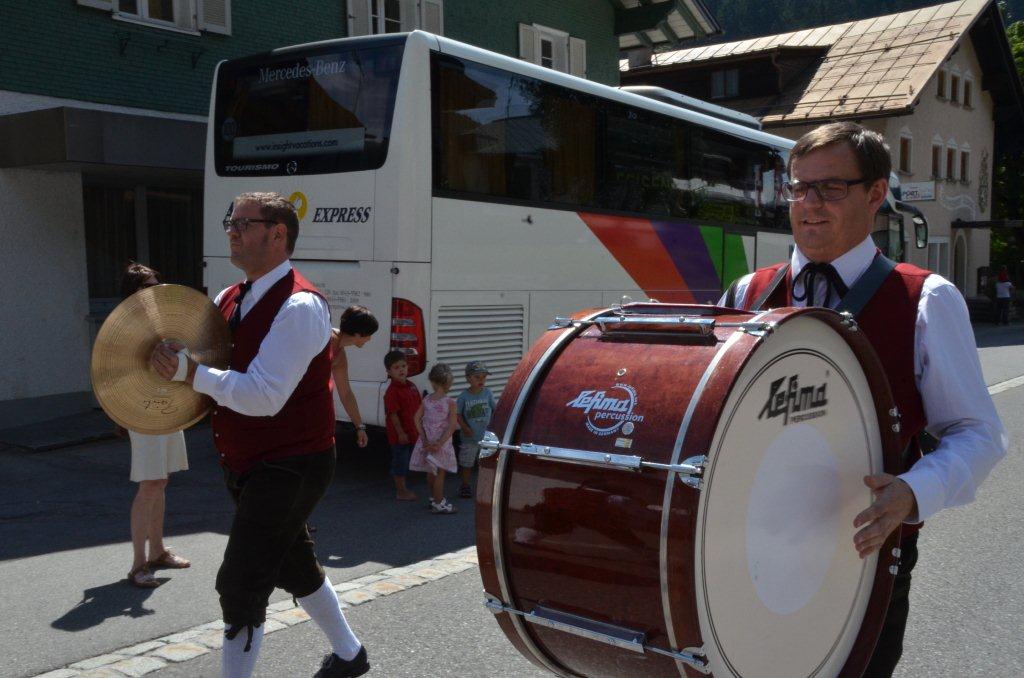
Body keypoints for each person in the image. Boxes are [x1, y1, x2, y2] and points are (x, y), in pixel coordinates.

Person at [721, 122, 1006, 676]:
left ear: (876, 194)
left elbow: (978, 432)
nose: (809, 204)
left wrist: (912, 492)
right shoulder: (746, 293)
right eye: (798, 187)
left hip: (865, 557)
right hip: (755, 550)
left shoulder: (926, 297)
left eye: (831, 188)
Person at [149, 192, 368, 678]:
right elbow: (212, 367)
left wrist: (190, 372)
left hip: (294, 461)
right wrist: (175, 356)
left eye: (244, 223)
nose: (232, 230)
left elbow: (265, 396)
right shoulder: (229, 296)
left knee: (241, 582)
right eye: (231, 221)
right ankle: (351, 655)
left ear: (278, 234)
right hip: (248, 458)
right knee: (293, 564)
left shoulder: (301, 306)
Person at [120, 263, 191, 589]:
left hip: (166, 405)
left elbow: (182, 357)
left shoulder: (160, 321)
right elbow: (122, 371)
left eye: (156, 283)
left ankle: (158, 551)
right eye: (148, 285)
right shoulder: (124, 324)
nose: (155, 289)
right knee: (150, 484)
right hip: (143, 410)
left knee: (160, 481)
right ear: (133, 291)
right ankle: (138, 564)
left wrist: (179, 348)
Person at [409, 363, 458, 514]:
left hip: (427, 442)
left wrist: (423, 438)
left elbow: (416, 418)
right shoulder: (450, 402)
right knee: (440, 474)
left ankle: (433, 498)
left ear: (432, 381)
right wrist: (439, 443)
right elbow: (452, 425)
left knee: (431, 472)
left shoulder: (427, 400)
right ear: (448, 383)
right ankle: (439, 503)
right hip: (441, 444)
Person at [331, 305, 379, 447]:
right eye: (369, 334)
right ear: (358, 334)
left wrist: (360, 427)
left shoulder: (339, 354)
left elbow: (346, 394)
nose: (369, 339)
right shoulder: (327, 340)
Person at [383, 349, 421, 501]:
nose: (401, 370)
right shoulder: (392, 392)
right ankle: (401, 491)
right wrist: (400, 433)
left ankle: (404, 486)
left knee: (408, 460)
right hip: (400, 435)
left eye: (403, 366)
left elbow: (418, 408)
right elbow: (393, 415)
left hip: (413, 431)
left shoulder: (412, 386)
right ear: (388, 371)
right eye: (396, 367)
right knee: (401, 461)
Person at [455, 361, 496, 499]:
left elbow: (495, 409)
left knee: (485, 463)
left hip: (486, 437)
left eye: (484, 377)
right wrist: (465, 427)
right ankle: (465, 485)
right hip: (470, 438)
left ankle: (485, 486)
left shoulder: (488, 393)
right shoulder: (463, 396)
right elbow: (457, 414)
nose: (481, 380)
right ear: (468, 378)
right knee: (467, 463)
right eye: (477, 377)